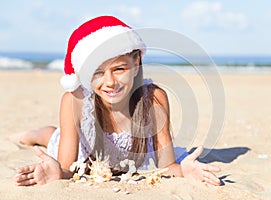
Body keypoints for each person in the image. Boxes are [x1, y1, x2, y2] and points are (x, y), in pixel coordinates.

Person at [8, 16, 221, 186]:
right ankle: (31, 134)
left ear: (136, 62)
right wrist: (56, 173)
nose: (109, 82)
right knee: (50, 135)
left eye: (119, 69)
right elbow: (66, 167)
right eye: (97, 72)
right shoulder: (75, 100)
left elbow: (168, 165)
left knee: (54, 132)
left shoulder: (153, 98)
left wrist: (184, 170)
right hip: (79, 150)